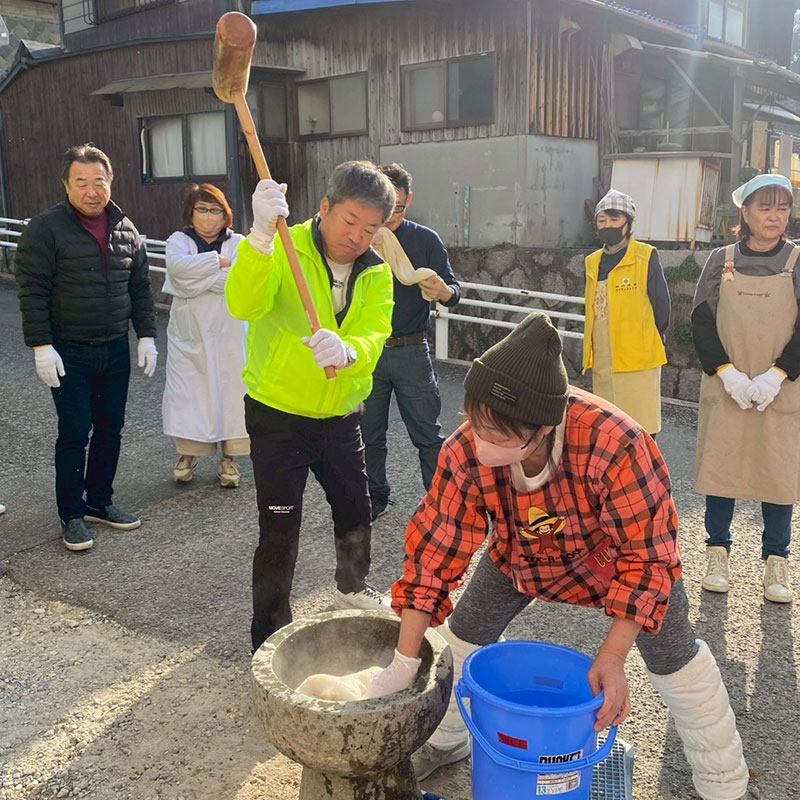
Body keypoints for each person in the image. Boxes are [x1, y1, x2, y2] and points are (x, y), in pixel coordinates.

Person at [368, 313, 748, 800]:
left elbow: (648, 557)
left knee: (675, 658)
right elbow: (434, 553)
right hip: (520, 552)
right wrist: (404, 660)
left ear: (545, 427)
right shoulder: (465, 449)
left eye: (499, 436)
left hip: (614, 559)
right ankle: (446, 739)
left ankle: (724, 781)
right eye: (474, 421)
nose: (479, 441)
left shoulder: (618, 443)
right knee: (461, 637)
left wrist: (612, 656)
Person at [225, 160, 397, 652]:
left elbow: (375, 335)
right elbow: (243, 305)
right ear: (324, 208)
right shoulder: (282, 245)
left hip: (341, 416)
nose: (357, 237)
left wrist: (349, 352)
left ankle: (352, 586)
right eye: (349, 222)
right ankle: (269, 634)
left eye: (370, 229)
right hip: (278, 415)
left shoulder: (376, 273)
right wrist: (257, 239)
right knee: (279, 529)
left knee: (356, 510)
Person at [15, 143, 157, 553]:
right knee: (75, 431)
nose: (92, 191)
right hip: (68, 349)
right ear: (66, 184)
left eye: (100, 181)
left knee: (111, 427)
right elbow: (32, 291)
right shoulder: (46, 228)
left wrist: (146, 335)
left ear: (110, 182)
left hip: (113, 348)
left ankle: (99, 500)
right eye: (82, 182)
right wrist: (41, 346)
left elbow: (140, 289)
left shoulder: (126, 228)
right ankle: (72, 513)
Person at [692, 173, 800, 604]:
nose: (774, 216)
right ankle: (717, 553)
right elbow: (701, 320)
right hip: (728, 385)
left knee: (778, 472)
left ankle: (777, 562)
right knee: (722, 469)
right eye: (764, 207)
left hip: (782, 389)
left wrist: (777, 376)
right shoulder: (721, 260)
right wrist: (727, 373)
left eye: (782, 207)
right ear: (746, 213)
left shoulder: (797, 261)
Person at [361, 163, 461, 520]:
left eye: (398, 208)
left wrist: (445, 291)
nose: (390, 216)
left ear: (409, 201)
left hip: (411, 349)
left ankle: (441, 506)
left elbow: (453, 290)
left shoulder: (425, 240)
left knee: (428, 434)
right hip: (367, 350)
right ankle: (375, 496)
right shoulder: (360, 237)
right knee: (368, 433)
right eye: (384, 206)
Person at [162, 184, 249, 488]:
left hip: (230, 331)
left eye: (215, 210)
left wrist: (197, 276)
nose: (209, 216)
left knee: (232, 392)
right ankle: (188, 453)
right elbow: (177, 272)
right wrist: (219, 265)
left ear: (226, 215)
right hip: (190, 334)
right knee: (188, 392)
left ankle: (230, 457)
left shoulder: (239, 242)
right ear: (190, 212)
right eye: (202, 209)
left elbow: (241, 280)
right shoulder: (178, 241)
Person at [582, 189, 670, 435]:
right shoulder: (592, 262)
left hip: (637, 357)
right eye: (602, 220)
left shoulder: (645, 256)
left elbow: (662, 306)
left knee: (640, 428)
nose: (607, 225)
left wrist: (651, 338)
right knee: (607, 427)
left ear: (628, 222)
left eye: (614, 219)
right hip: (603, 357)